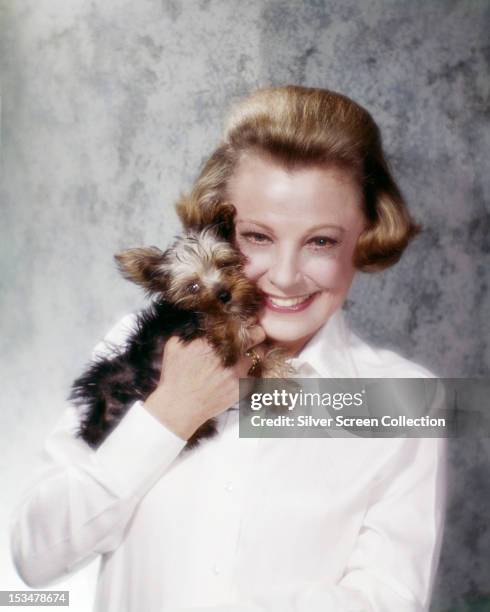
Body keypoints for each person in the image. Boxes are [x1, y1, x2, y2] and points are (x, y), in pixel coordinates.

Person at [10, 85, 447, 612]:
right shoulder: (135, 346)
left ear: (368, 235)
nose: (283, 277)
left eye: (322, 241)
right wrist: (169, 413)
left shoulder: (403, 398)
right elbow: (35, 558)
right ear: (217, 226)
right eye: (257, 237)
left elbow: (390, 600)